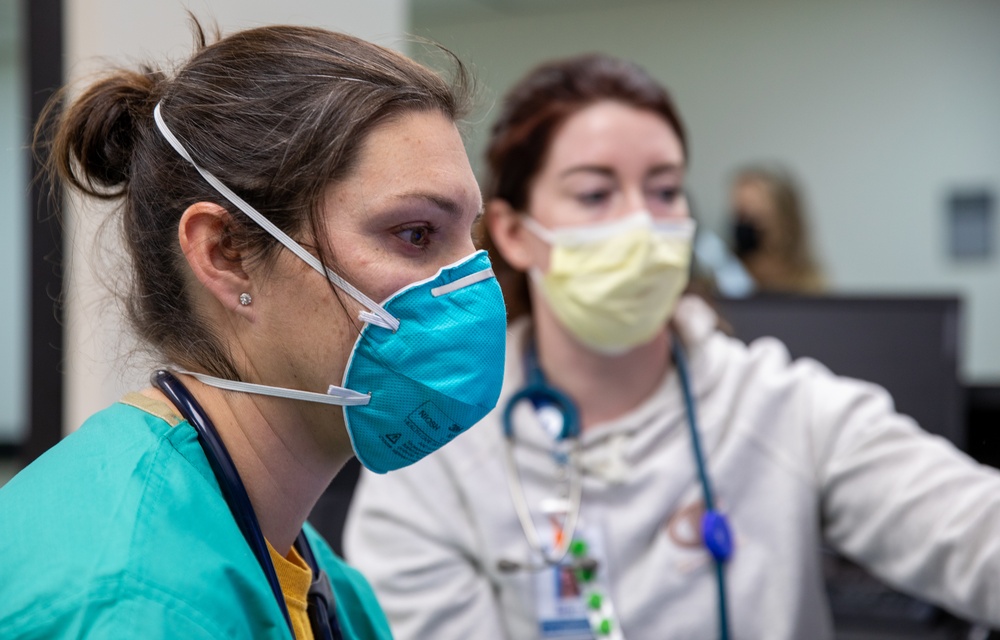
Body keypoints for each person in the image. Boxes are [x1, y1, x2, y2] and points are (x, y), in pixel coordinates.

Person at [344, 53, 1000, 640]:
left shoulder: (782, 407)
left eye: (664, 190)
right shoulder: (438, 448)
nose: (642, 222)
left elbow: (972, 531)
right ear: (515, 233)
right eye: (596, 193)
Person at [0, 20, 508, 640]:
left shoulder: (317, 581)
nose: (475, 287)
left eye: (469, 240)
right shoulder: (130, 599)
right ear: (226, 252)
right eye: (417, 234)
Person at [729, 164, 826, 293]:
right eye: (741, 214)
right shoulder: (725, 277)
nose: (747, 225)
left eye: (758, 214)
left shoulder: (809, 282)